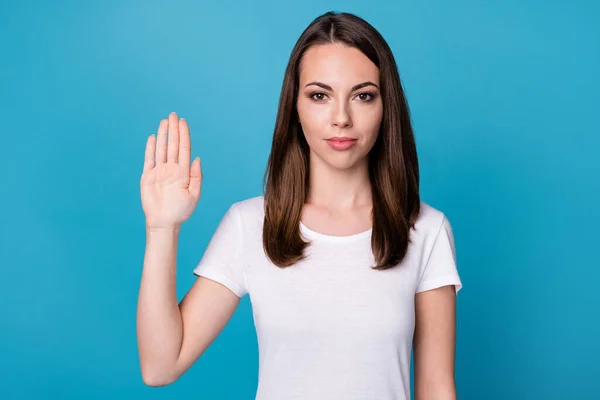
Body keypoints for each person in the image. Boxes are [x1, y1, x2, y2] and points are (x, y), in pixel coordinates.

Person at [137, 10, 463, 400]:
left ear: (385, 107)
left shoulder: (426, 230)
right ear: (295, 107)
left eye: (363, 96)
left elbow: (436, 388)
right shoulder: (250, 224)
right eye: (319, 95)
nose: (341, 118)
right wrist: (162, 228)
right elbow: (160, 365)